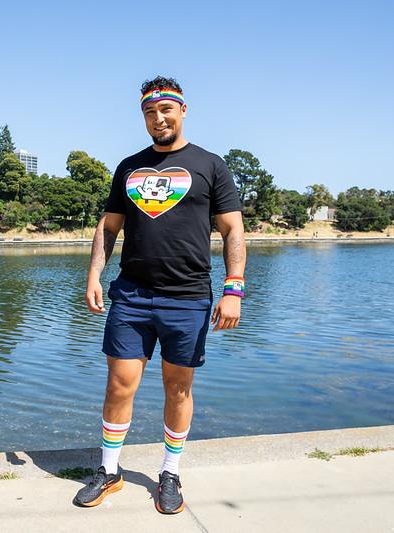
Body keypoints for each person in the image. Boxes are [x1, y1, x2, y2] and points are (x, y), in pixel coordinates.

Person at [73, 76, 246, 514]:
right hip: (131, 295)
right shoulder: (129, 166)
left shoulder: (211, 165)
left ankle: (169, 473)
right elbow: (108, 227)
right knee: (119, 383)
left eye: (165, 110)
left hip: (188, 297)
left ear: (182, 110)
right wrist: (94, 276)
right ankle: (109, 471)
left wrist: (234, 289)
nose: (158, 118)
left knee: (178, 388)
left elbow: (232, 230)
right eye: (150, 112)